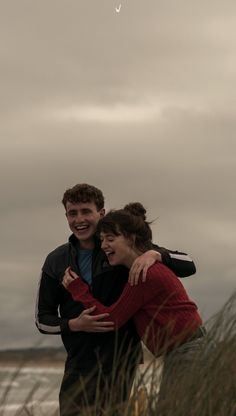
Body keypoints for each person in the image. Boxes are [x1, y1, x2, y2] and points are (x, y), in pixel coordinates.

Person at [35, 184, 197, 415]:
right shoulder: (56, 261)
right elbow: (42, 319)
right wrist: (73, 324)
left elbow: (188, 264)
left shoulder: (120, 246)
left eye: (86, 211)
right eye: (73, 213)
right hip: (79, 364)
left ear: (101, 213)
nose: (79, 219)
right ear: (66, 217)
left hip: (121, 362)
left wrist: (156, 253)